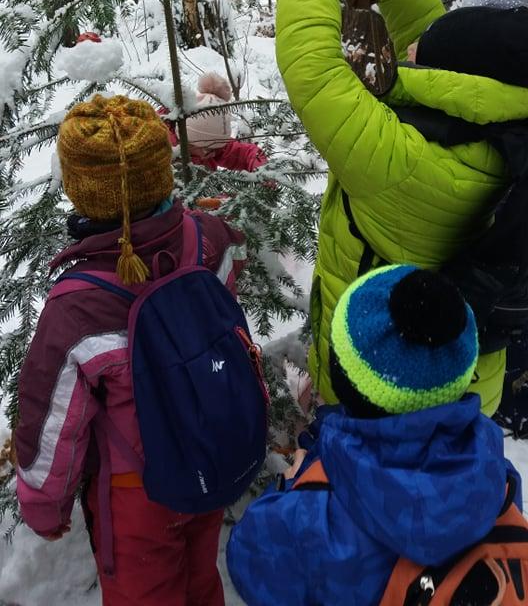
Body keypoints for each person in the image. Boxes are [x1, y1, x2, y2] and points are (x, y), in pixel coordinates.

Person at [276, 0, 528, 416]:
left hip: (379, 384)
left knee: (369, 488)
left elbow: (313, 71)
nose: (412, 47)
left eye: (425, 51)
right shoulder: (505, 128)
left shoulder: (401, 160)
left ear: (453, 75)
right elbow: (449, 52)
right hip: (459, 392)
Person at [15, 94, 246, 606]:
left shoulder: (77, 308)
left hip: (135, 492)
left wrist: (45, 509)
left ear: (82, 192)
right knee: (200, 574)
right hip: (207, 455)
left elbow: (53, 421)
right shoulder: (208, 240)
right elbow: (235, 270)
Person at [227, 264, 522, 606]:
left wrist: (290, 484)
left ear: (344, 381)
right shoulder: (492, 470)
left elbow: (248, 558)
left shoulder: (309, 518)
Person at [163, 72, 267, 173]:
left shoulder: (211, 146)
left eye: (216, 149)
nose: (213, 155)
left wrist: (261, 168)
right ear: (187, 139)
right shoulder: (162, 153)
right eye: (208, 150)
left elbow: (244, 154)